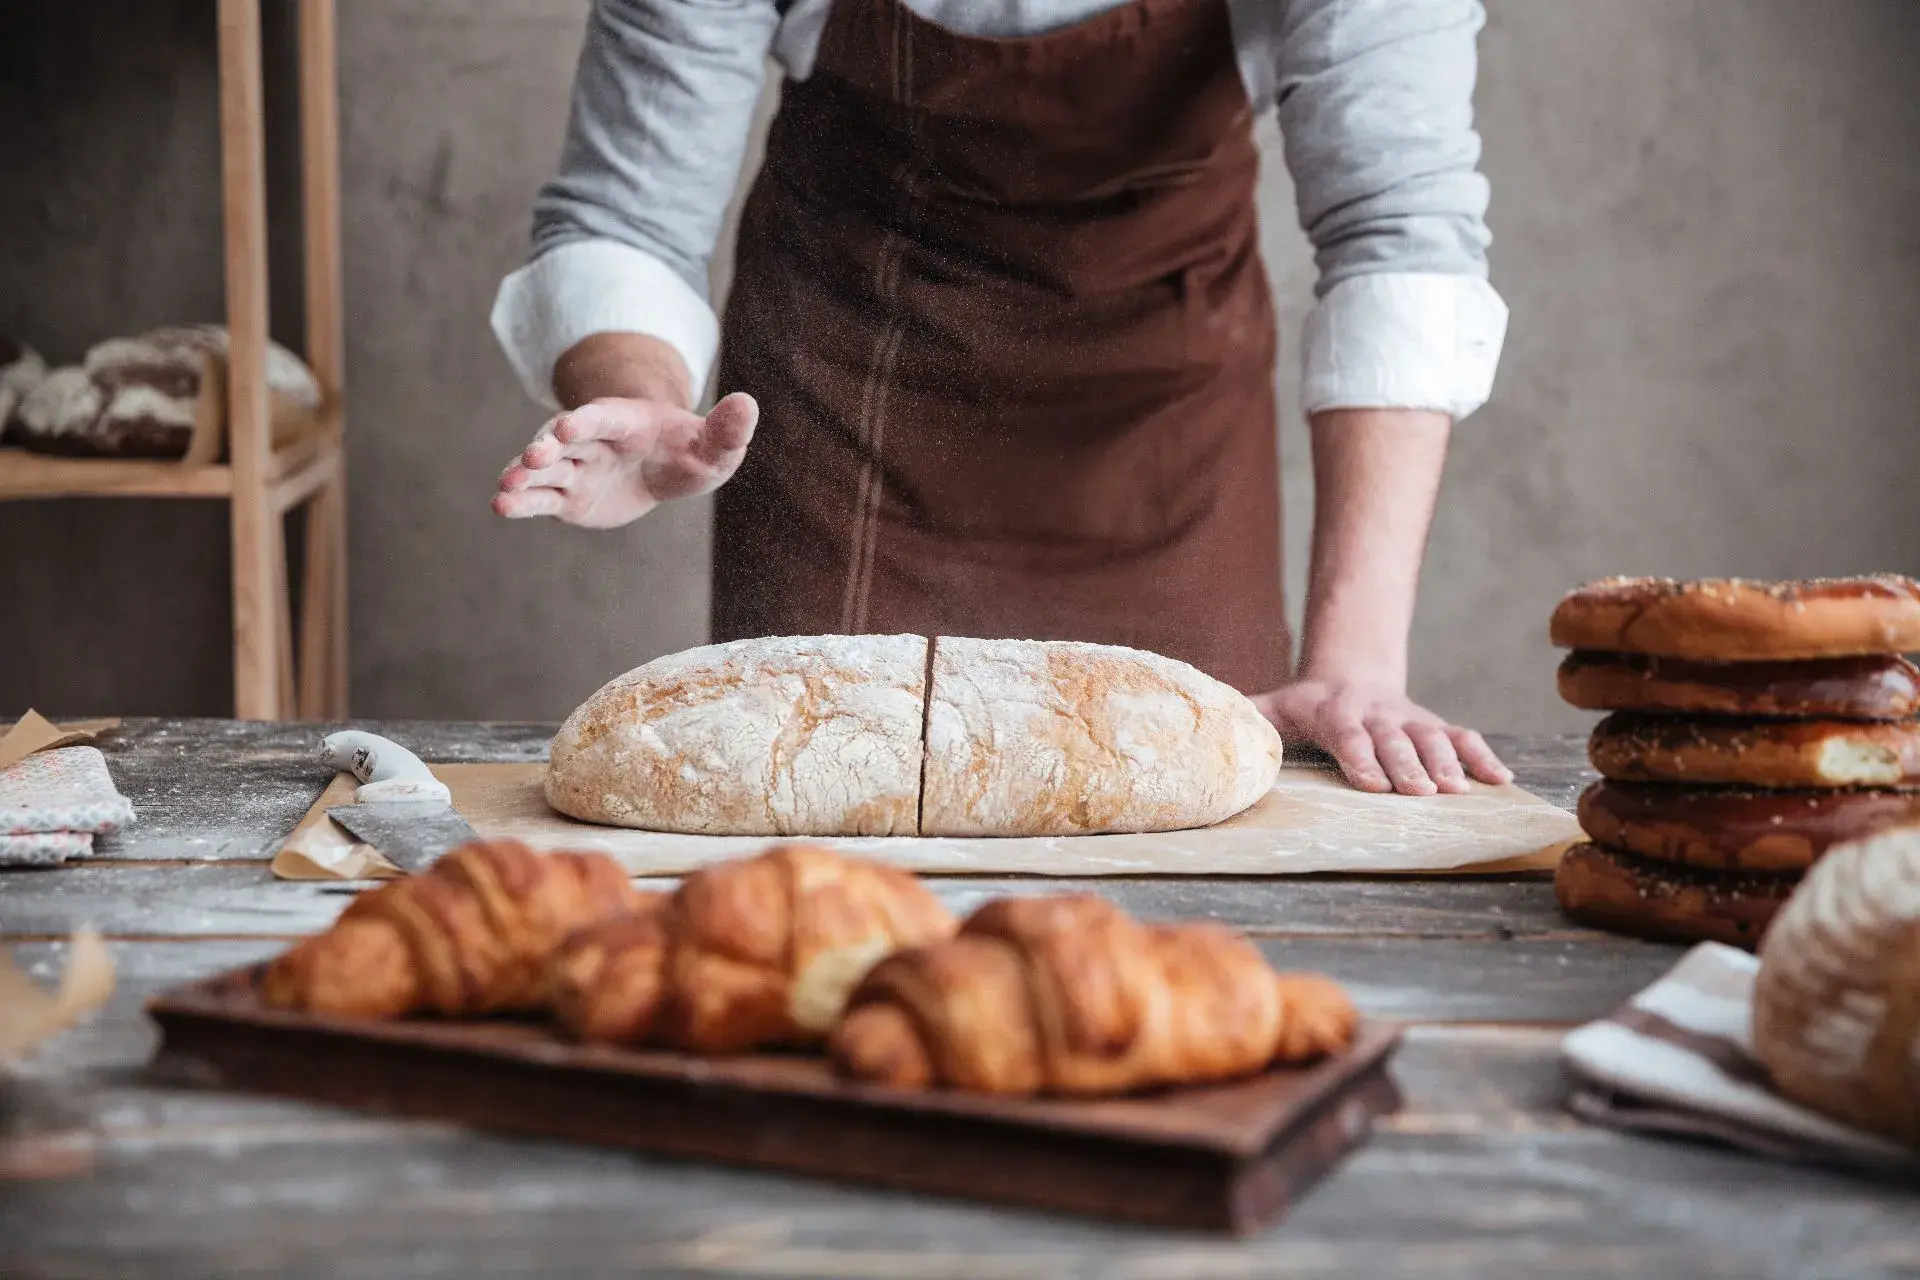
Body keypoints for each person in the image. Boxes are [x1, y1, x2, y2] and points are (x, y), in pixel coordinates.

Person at [490, 0, 1515, 797]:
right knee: (829, 868)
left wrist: (1356, 665)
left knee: (1194, 869)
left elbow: (1399, 232)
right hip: (852, 415)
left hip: (1165, 431)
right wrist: (638, 397)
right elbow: (627, 208)